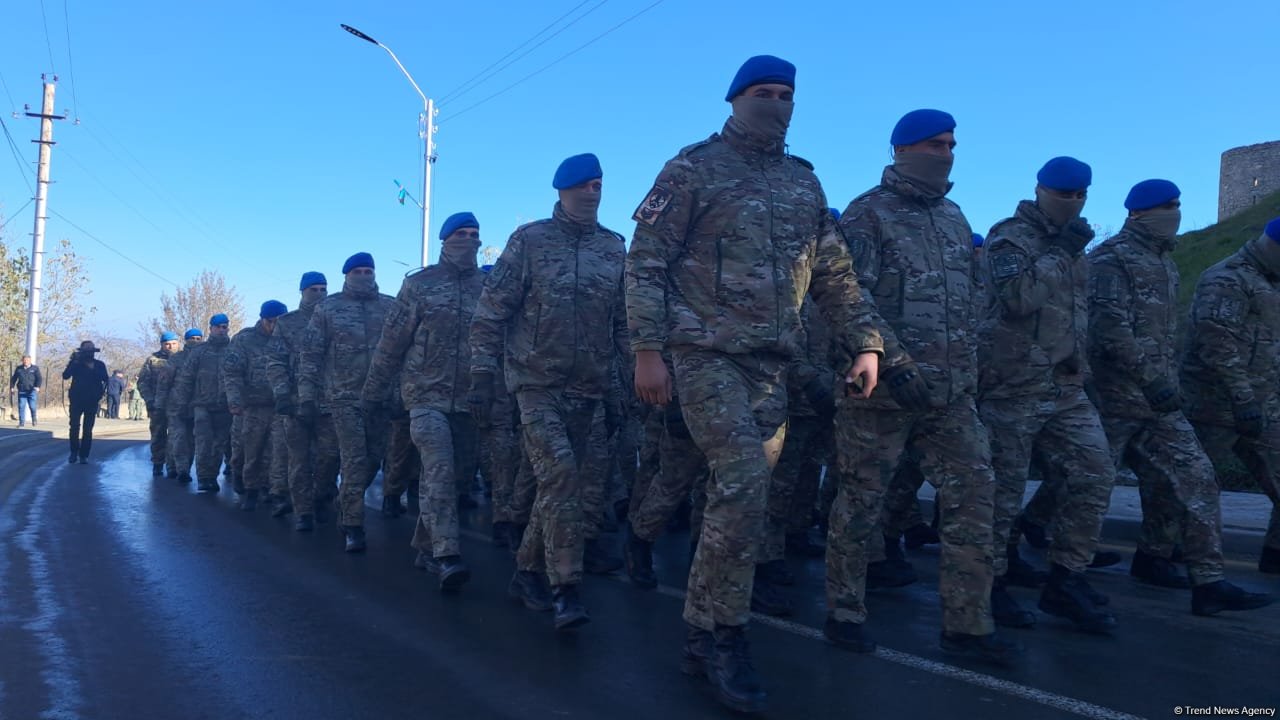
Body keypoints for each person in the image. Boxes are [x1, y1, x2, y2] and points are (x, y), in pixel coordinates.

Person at [625, 56, 882, 713]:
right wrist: (647, 351)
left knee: (741, 499)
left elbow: (835, 275)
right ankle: (726, 639)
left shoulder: (804, 182)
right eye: (763, 93)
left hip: (773, 365)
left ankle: (697, 630)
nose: (776, 104)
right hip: (703, 354)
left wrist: (867, 343)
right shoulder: (692, 167)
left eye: (786, 94)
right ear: (735, 99)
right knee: (741, 481)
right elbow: (647, 259)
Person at [831, 108, 1014, 663]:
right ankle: (843, 610)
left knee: (976, 495)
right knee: (862, 502)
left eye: (951, 144)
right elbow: (846, 300)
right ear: (902, 150)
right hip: (881, 394)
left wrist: (970, 371)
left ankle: (967, 624)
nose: (946, 154)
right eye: (933, 145)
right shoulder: (867, 216)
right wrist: (894, 362)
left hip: (951, 396)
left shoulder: (956, 219)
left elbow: (974, 303)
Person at [1088, 179, 1270, 615]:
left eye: (1177, 205)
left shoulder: (1166, 264)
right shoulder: (1111, 260)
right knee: (1085, 487)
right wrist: (1150, 377)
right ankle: (1058, 566)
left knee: (1199, 480)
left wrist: (1161, 385)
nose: (1175, 213)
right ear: (1138, 212)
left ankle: (1206, 581)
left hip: (1160, 405)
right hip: (1116, 398)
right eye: (1166, 206)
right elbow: (1109, 328)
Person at [469, 153, 629, 630]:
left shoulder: (613, 248)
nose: (592, 192)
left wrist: (623, 387)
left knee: (559, 484)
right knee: (560, 476)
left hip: (589, 387)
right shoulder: (531, 241)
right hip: (534, 383)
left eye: (598, 184)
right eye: (583, 184)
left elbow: (622, 324)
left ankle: (526, 571)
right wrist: (481, 374)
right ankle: (566, 587)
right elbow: (492, 311)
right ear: (561, 189)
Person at [977, 156, 1117, 634]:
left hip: (1065, 386)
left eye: (1080, 196)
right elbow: (1017, 299)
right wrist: (1060, 253)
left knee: (1095, 471)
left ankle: (1067, 577)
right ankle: (988, 586)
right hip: (1013, 385)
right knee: (1002, 493)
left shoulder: (1074, 249)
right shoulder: (1010, 238)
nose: (1073, 204)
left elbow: (1076, 315)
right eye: (1064, 195)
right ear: (1040, 191)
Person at [365, 211, 484, 591]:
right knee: (439, 470)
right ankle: (446, 556)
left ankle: (425, 544)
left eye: (475, 234)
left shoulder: (489, 287)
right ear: (445, 240)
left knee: (460, 476)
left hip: (470, 401)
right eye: (461, 234)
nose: (469, 241)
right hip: (424, 396)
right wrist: (374, 391)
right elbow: (392, 342)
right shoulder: (420, 285)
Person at [1183, 216, 1280, 577]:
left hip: (1263, 403)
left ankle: (1275, 554)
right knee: (1196, 487)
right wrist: (1242, 398)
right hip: (1216, 405)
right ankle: (1166, 557)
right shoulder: (1228, 279)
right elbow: (1217, 344)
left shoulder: (1271, 281)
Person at [299, 253, 396, 552]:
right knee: (354, 458)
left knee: (373, 459)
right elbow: (311, 355)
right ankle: (353, 525)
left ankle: (343, 500)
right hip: (343, 398)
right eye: (358, 271)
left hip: (380, 398)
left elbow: (402, 351)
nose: (364, 276)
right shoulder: (329, 308)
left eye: (369, 270)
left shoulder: (390, 307)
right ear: (347, 275)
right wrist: (306, 396)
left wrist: (400, 392)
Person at [267, 272, 339, 532]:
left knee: (331, 457)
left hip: (330, 403)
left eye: (323, 289)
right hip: (296, 404)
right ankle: (303, 511)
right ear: (302, 292)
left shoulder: (336, 318)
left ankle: (321, 497)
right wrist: (282, 394)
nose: (319, 294)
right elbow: (275, 363)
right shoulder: (287, 323)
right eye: (314, 290)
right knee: (299, 461)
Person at [223, 300, 289, 511]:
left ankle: (272, 490)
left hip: (280, 405)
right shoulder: (244, 340)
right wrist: (234, 401)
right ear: (263, 319)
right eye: (272, 321)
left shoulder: (288, 338)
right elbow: (232, 373)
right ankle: (249, 487)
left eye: (281, 321)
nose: (276, 326)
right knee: (250, 451)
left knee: (277, 451)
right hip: (251, 406)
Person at [173, 315, 234, 493]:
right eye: (218, 327)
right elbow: (186, 379)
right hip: (202, 405)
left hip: (224, 406)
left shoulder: (233, 350)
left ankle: (212, 476)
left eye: (225, 327)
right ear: (211, 329)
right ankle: (203, 477)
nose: (222, 330)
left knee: (219, 444)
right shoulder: (199, 352)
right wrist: (182, 405)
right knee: (203, 442)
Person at [138, 331, 182, 475]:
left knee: (176, 436)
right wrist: (149, 400)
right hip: (157, 405)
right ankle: (158, 463)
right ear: (162, 344)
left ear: (178, 343)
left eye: (173, 343)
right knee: (158, 435)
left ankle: (172, 466)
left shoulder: (185, 358)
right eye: (167, 344)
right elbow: (143, 383)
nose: (170, 346)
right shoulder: (153, 360)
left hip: (178, 405)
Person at [62, 341, 109, 464]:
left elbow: (105, 378)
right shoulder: (76, 364)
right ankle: (73, 452)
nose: (88, 354)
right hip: (76, 399)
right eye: (86, 352)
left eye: (90, 351)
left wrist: (93, 370)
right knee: (74, 427)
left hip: (92, 400)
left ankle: (84, 455)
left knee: (88, 429)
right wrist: (74, 362)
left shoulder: (99, 365)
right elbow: (65, 376)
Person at [9, 354, 42, 427]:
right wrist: (12, 387)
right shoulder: (19, 369)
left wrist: (37, 387)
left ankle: (34, 419)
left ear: (30, 361)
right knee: (21, 406)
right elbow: (14, 378)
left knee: (32, 406)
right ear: (22, 361)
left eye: (27, 360)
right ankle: (21, 422)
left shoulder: (35, 368)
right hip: (22, 391)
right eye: (24, 360)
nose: (25, 362)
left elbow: (39, 378)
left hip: (32, 391)